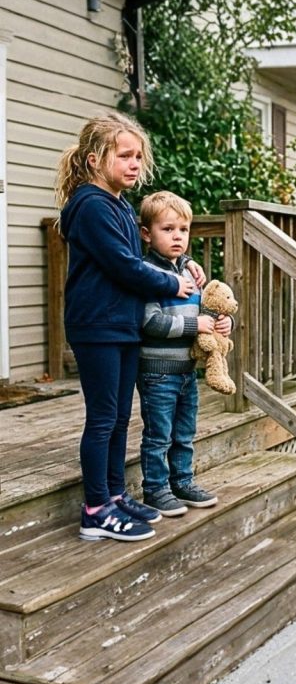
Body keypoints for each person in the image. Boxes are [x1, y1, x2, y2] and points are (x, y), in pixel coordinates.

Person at [56, 112, 205, 542]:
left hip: (121, 326)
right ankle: (95, 510)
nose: (134, 163)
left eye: (138, 155)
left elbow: (141, 258)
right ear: (93, 160)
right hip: (96, 326)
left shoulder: (119, 206)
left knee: (121, 417)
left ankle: (116, 495)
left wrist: (183, 263)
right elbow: (125, 267)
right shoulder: (89, 205)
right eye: (124, 155)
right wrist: (172, 282)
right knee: (103, 418)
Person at [137, 191, 231, 517]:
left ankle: (182, 481)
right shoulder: (149, 273)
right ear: (147, 234)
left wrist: (222, 323)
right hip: (157, 371)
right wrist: (195, 325)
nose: (178, 236)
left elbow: (205, 308)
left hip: (186, 371)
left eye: (183, 229)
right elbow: (149, 322)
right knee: (158, 435)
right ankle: (155, 489)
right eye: (168, 229)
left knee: (184, 433)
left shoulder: (190, 271)